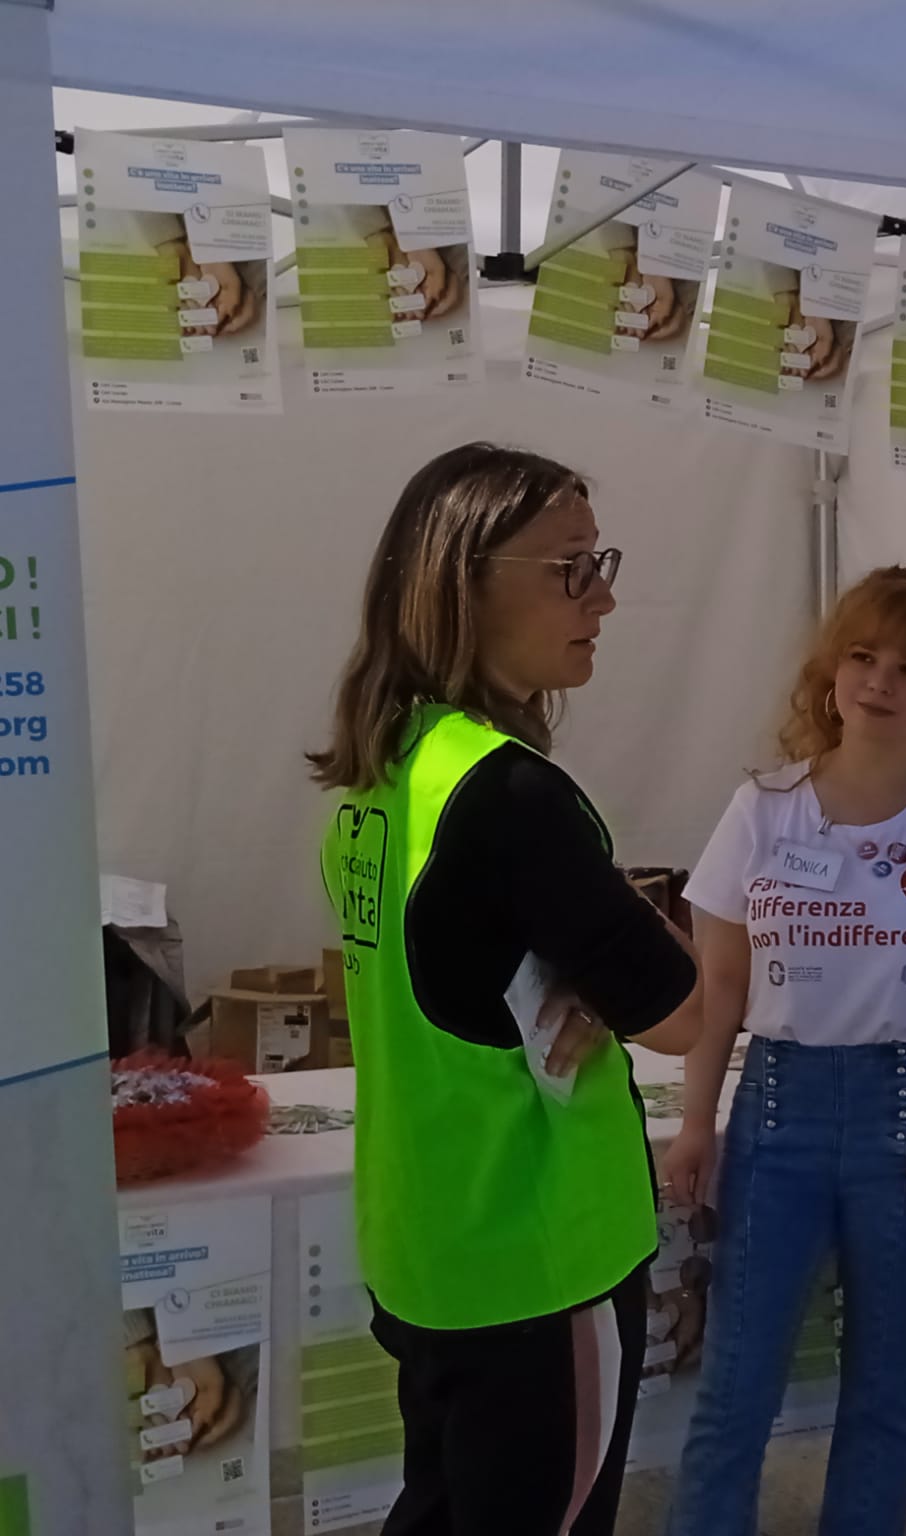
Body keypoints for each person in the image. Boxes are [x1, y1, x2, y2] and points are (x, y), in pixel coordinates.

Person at [311, 443, 703, 1536]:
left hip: (427, 1244)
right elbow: (685, 1012)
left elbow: (459, 970)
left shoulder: (388, 770)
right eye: (571, 568)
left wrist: (584, 966)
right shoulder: (511, 796)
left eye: (600, 564)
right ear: (463, 583)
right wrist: (661, 941)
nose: (603, 599)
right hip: (541, 1261)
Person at [662, 565, 906, 1536]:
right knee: (734, 1390)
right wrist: (697, 1122)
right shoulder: (762, 807)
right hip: (779, 1107)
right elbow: (720, 985)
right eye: (863, 657)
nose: (880, 682)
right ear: (830, 670)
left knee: (881, 1391)